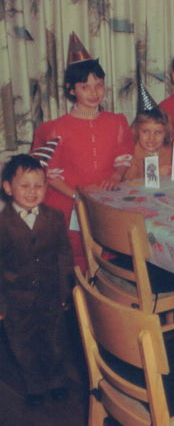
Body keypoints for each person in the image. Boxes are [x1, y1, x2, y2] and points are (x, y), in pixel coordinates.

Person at [31, 32, 134, 269]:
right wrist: (78, 197)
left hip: (107, 197)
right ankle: (76, 296)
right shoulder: (56, 128)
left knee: (110, 251)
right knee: (75, 254)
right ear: (71, 89)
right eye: (85, 86)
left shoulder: (116, 121)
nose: (94, 92)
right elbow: (49, 172)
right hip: (69, 200)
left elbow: (123, 156)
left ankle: (104, 292)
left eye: (98, 85)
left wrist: (116, 175)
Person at [0, 154, 73, 408]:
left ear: (46, 187)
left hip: (51, 295)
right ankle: (34, 386)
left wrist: (66, 290)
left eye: (38, 185)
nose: (32, 192)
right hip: (16, 301)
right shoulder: (2, 224)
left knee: (55, 342)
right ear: (8, 187)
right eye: (24, 185)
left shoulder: (54, 217)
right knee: (23, 347)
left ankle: (56, 381)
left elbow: (64, 255)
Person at [124, 80, 174, 180]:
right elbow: (128, 183)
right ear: (137, 131)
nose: (152, 138)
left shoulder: (169, 151)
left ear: (166, 133)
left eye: (158, 132)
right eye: (145, 132)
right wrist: (156, 173)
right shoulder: (131, 155)